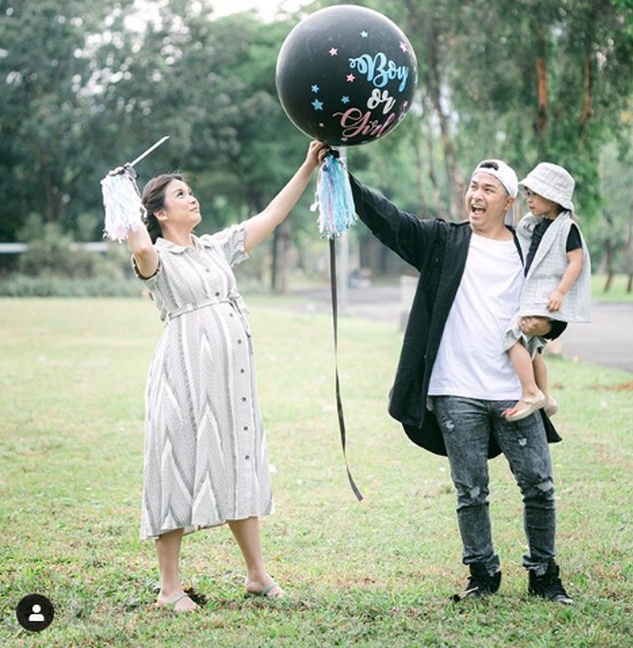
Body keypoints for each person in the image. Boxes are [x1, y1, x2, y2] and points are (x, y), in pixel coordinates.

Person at [107, 140, 327, 612]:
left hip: (231, 382)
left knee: (239, 461)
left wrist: (307, 165)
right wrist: (121, 193)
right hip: (181, 377)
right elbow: (139, 242)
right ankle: (170, 589)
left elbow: (271, 216)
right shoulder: (157, 259)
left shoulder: (214, 248)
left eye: (190, 192)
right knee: (175, 466)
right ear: (162, 214)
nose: (192, 198)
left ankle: (256, 574)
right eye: (181, 195)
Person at [349, 158, 574, 604]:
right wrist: (342, 175)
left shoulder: (529, 249)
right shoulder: (442, 241)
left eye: (489, 189)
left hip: (515, 390)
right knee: (470, 491)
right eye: (473, 186)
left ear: (509, 202)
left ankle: (544, 574)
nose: (476, 195)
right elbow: (388, 220)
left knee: (539, 485)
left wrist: (544, 328)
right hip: (456, 390)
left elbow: (556, 313)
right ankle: (482, 573)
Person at [503, 162, 591, 422]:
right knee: (535, 347)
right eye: (528, 194)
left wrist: (560, 292)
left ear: (553, 197)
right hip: (535, 295)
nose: (529, 199)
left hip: (547, 299)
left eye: (535, 194)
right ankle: (546, 397)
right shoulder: (537, 225)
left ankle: (531, 392)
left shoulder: (567, 228)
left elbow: (576, 261)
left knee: (513, 336)